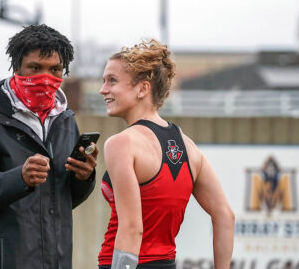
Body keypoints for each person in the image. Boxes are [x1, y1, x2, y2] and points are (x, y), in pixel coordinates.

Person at [0, 24, 98, 269]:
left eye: (55, 69)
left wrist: (84, 177)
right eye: (35, 68)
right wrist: (20, 178)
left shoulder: (65, 119)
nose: (45, 77)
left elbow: (61, 200)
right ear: (17, 66)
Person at [97, 40, 235, 269]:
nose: (103, 89)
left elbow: (133, 228)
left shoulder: (121, 144)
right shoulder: (189, 148)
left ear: (142, 89)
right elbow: (225, 216)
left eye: (112, 81)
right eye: (103, 81)